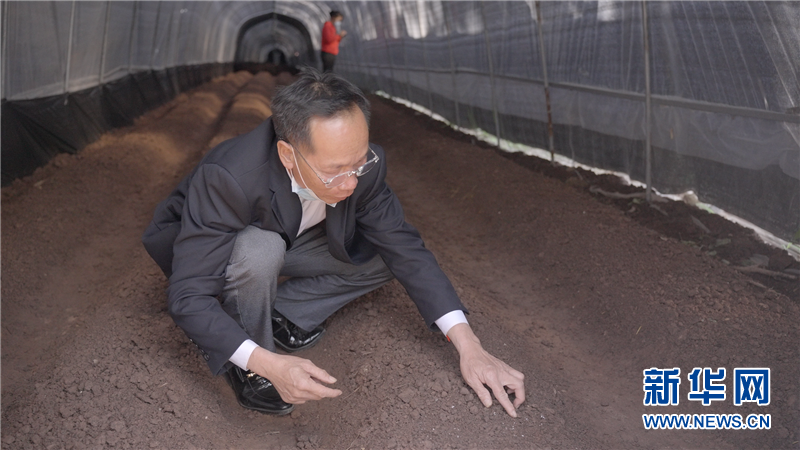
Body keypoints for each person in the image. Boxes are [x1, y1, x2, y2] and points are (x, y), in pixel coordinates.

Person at [141, 69, 525, 418]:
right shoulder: (230, 177)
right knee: (259, 252)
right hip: (218, 248)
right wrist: (268, 364)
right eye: (335, 171)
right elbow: (188, 296)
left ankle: (284, 314)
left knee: (385, 257)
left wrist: (470, 347)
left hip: (293, 235)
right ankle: (248, 362)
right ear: (288, 155)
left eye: (358, 162)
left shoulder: (364, 166)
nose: (351, 182)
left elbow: (406, 250)